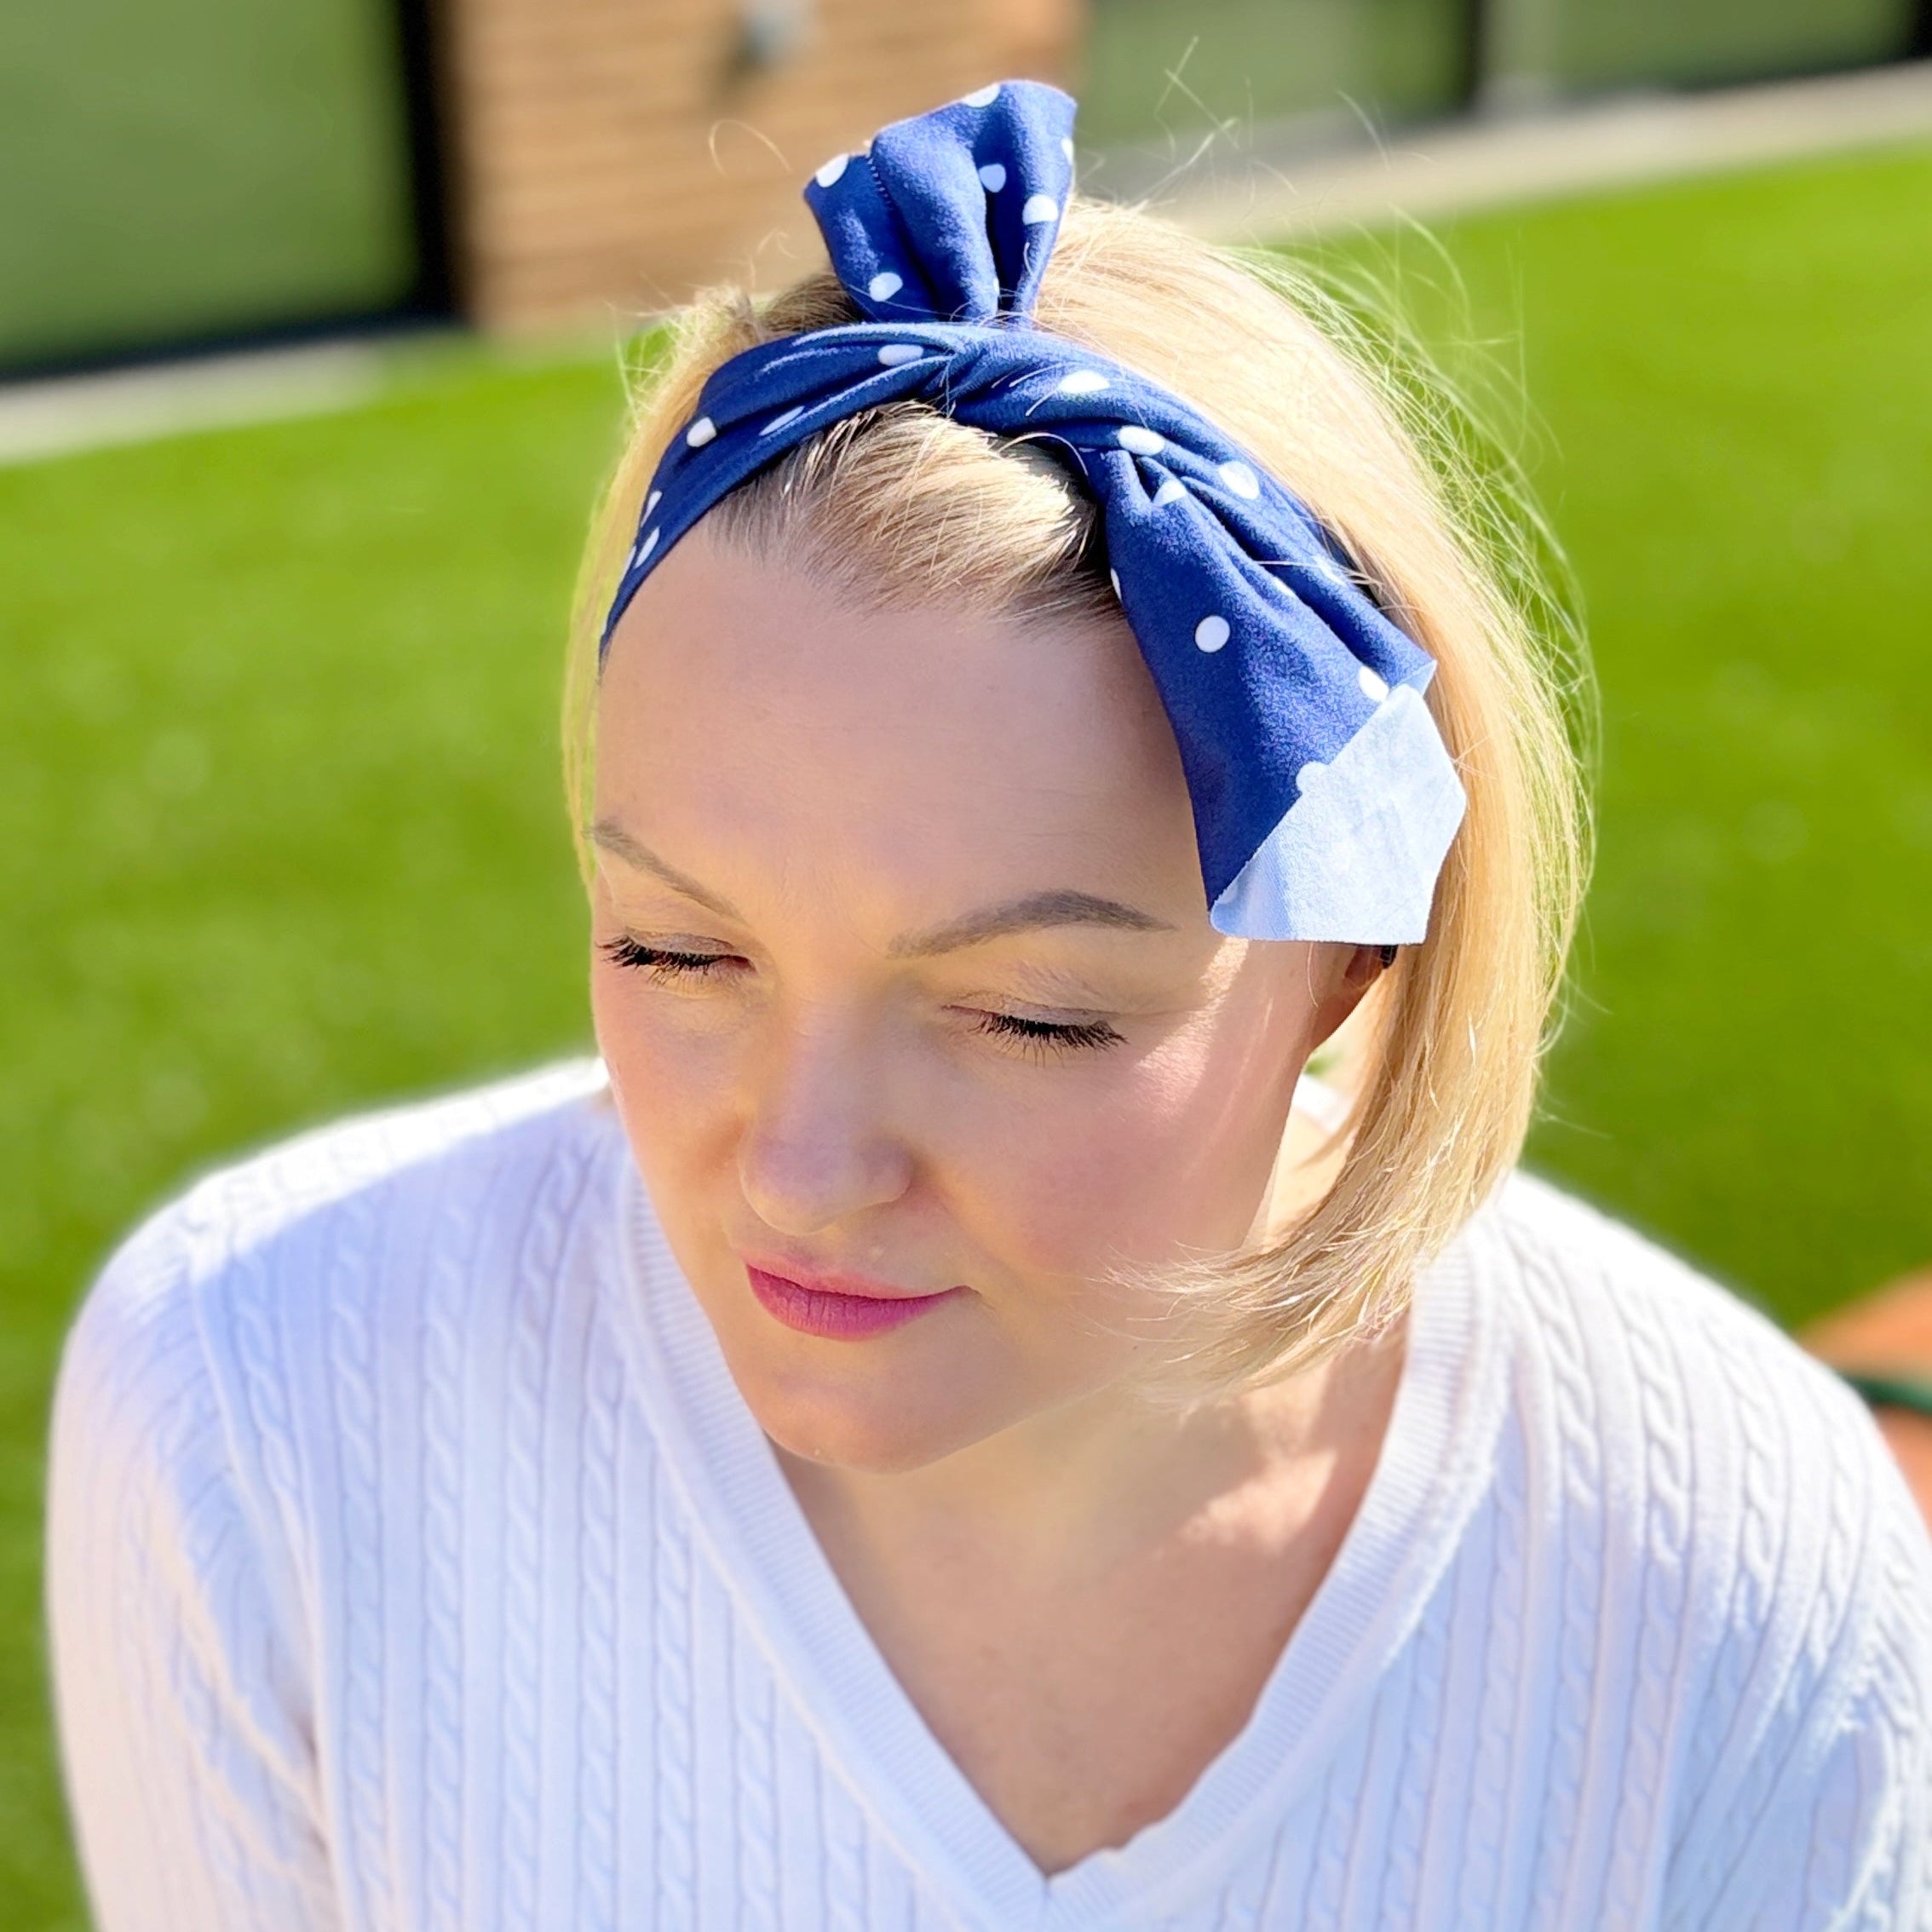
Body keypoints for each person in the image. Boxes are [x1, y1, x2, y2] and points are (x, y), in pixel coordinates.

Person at [45, 80, 1932, 1930]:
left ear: (1358, 963)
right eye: (678, 952)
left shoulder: (1741, 1576)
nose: (800, 1172)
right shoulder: (257, 1401)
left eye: (1029, 1014)